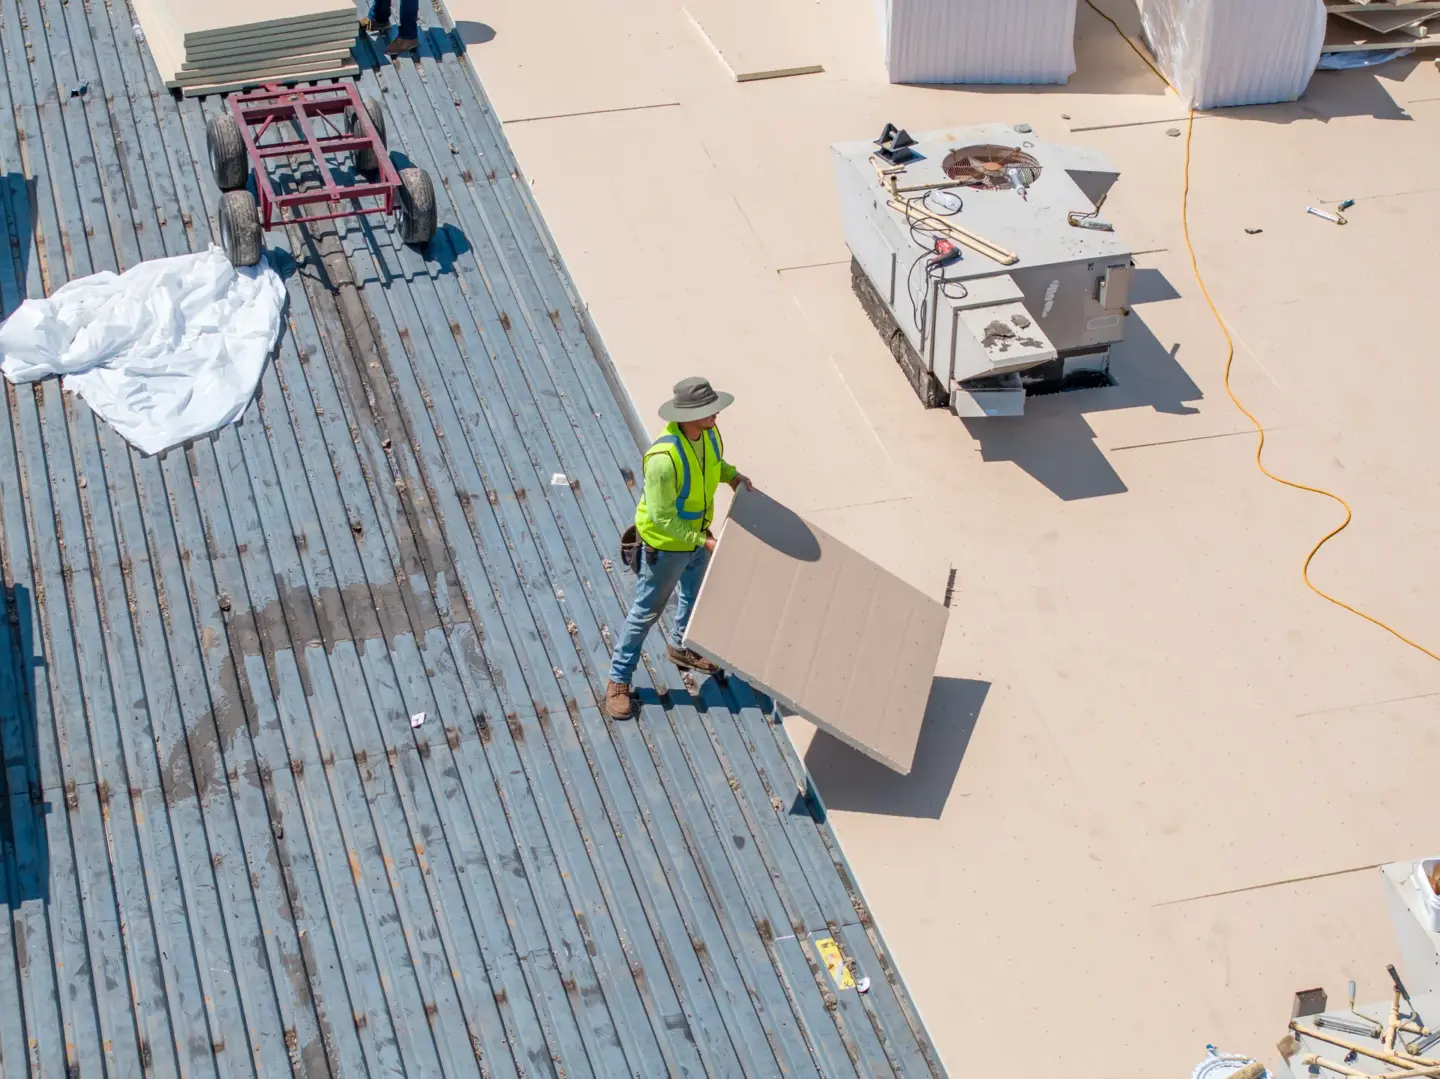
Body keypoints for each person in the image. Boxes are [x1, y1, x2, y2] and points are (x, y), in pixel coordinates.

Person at [605, 377, 752, 720]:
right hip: (666, 549)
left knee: (694, 594)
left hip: (697, 537)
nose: (716, 414)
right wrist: (704, 541)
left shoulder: (710, 434)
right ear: (687, 415)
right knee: (645, 613)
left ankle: (681, 646)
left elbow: (713, 466)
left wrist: (732, 476)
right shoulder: (663, 458)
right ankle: (617, 680)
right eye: (707, 410)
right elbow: (660, 518)